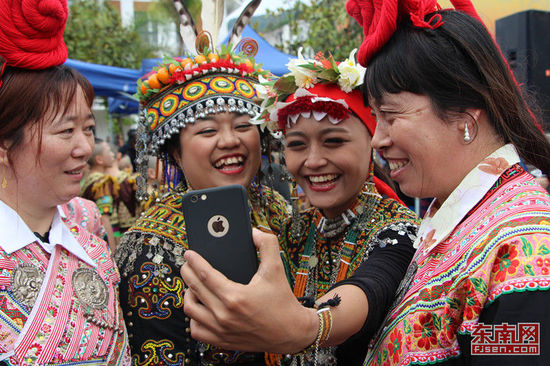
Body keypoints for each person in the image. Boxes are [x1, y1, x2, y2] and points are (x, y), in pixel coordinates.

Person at [182, 0, 550, 365]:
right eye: (377, 118)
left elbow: (518, 347)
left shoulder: (527, 245)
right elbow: (467, 343)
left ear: (465, 115)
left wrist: (306, 326)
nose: (379, 140)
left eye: (389, 116)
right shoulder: (457, 220)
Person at [182, 49, 420, 366]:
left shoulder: (400, 231)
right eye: (296, 145)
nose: (313, 161)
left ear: (372, 142)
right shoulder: (293, 231)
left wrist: (305, 325)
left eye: (334, 141)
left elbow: (372, 287)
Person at [113, 38, 290, 366]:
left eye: (243, 126)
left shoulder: (278, 209)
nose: (230, 140)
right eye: (208, 131)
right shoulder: (147, 248)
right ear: (176, 153)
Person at [0, 0, 130, 364]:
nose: (85, 147)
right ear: (4, 143)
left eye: (88, 128)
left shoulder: (86, 222)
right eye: (66, 131)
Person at [80, 138, 118, 249]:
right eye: (108, 151)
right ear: (99, 160)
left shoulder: (87, 179)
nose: (112, 155)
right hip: (105, 238)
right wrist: (112, 250)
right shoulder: (101, 183)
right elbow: (104, 218)